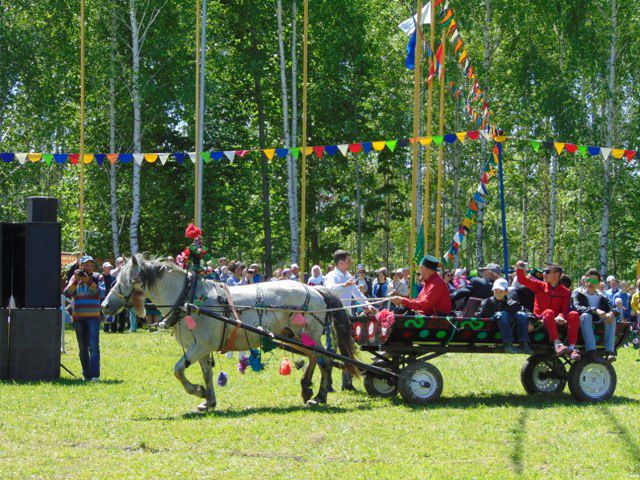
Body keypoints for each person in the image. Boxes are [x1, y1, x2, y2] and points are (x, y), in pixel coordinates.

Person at [324, 250, 378, 390]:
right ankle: (327, 384)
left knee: (348, 348)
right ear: (340, 263)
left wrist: (368, 305)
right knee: (331, 350)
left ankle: (347, 384)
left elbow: (357, 294)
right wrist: (344, 286)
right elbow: (329, 290)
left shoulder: (348, 276)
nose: (351, 263)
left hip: (346, 316)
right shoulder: (331, 276)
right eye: (348, 261)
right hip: (333, 317)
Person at [515, 260, 581, 360]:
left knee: (574, 314)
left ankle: (572, 347)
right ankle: (557, 344)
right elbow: (522, 280)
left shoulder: (566, 292)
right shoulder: (539, 285)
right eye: (543, 271)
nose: (543, 274)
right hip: (540, 319)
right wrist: (519, 269)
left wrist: (561, 316)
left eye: (547, 272)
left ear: (557, 274)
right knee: (548, 312)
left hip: (556, 320)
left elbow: (564, 309)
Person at [63, 255, 104, 382]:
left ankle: (95, 375)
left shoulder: (98, 277)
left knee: (93, 346)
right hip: (79, 317)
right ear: (81, 266)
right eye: (86, 265)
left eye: (91, 264)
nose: (89, 267)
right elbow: (67, 293)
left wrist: (88, 281)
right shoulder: (74, 278)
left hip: (93, 317)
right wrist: (75, 280)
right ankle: (86, 375)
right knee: (82, 347)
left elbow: (101, 293)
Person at [476, 278, 533, 354]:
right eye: (496, 290)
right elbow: (478, 316)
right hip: (492, 329)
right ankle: (508, 345)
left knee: (521, 314)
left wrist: (530, 321)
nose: (498, 293)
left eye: (501, 291)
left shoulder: (512, 303)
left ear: (506, 292)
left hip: (510, 329)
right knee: (503, 314)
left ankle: (524, 344)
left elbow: (526, 311)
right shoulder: (486, 302)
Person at [572, 269, 616, 362]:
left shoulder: (602, 296)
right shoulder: (578, 294)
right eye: (588, 280)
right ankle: (591, 350)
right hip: (582, 323)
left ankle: (609, 351)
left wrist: (611, 314)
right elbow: (577, 307)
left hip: (598, 322)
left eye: (594, 281)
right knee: (586, 316)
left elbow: (613, 308)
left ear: (599, 283)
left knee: (611, 318)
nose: (590, 283)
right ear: (585, 281)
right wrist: (595, 310)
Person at [100, 261, 117, 333]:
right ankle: (106, 328)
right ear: (103, 268)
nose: (109, 268)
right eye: (108, 267)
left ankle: (113, 329)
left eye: (110, 267)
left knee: (111, 313)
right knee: (104, 313)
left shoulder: (113, 277)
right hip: (102, 297)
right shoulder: (100, 277)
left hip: (111, 297)